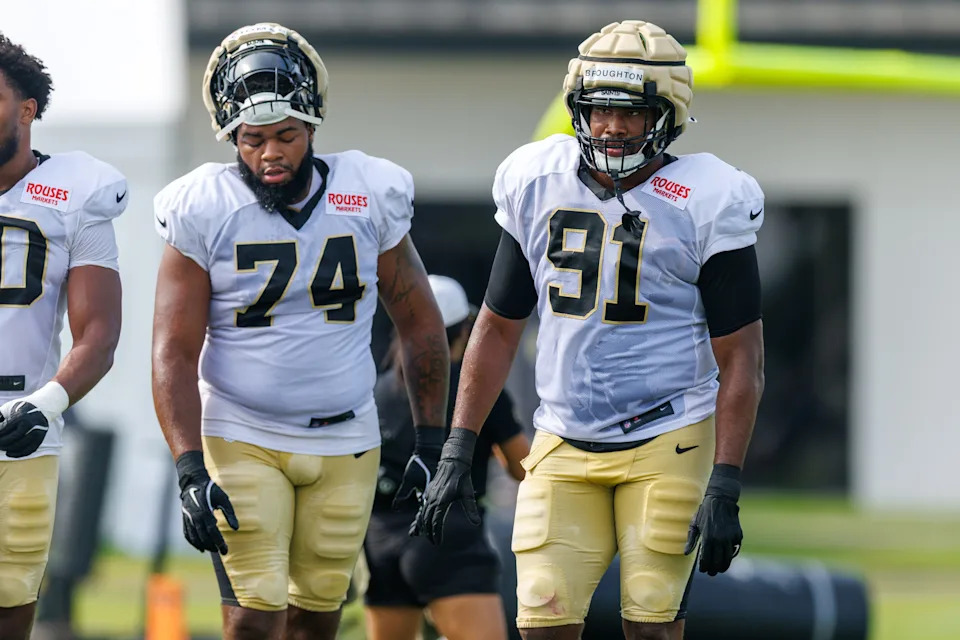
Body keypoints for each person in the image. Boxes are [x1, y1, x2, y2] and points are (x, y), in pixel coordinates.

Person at [415, 20, 765, 640]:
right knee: (543, 618)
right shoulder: (536, 180)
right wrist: (458, 447)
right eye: (599, 109)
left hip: (669, 434)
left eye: (631, 113)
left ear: (667, 115)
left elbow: (742, 359)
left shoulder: (707, 198)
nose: (611, 127)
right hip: (563, 435)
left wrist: (725, 482)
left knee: (651, 622)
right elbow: (497, 328)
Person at [151, 23, 449, 640]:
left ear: (312, 126)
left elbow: (421, 324)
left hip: (348, 438)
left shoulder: (368, 192)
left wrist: (430, 443)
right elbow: (173, 350)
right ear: (231, 136)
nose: (271, 154)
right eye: (253, 139)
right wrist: (189, 469)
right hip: (242, 431)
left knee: (316, 620)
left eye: (286, 135)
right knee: (252, 618)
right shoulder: (202, 206)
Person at [0, 34, 127, 640]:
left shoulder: (77, 195)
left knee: (10, 609)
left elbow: (98, 334)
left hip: (19, 426)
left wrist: (46, 405)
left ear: (27, 110)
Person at [364, 275, 530, 640]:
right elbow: (523, 467)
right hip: (449, 540)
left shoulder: (377, 390)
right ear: (463, 330)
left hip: (380, 543)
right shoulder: (476, 389)